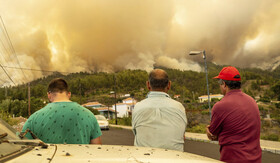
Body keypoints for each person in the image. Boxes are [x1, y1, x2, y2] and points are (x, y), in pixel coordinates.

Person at [206, 66, 261, 162]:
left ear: (224, 84)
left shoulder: (220, 106)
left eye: (219, 83)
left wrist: (207, 129)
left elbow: (212, 134)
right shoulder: (252, 101)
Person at [22, 78, 102, 144]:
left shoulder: (34, 118)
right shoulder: (89, 115)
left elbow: (22, 146)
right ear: (69, 94)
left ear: (49, 95)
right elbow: (97, 150)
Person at [132, 69, 187, 151]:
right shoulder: (179, 107)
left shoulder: (138, 107)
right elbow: (181, 135)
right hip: (174, 158)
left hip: (143, 158)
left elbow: (136, 133)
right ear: (169, 85)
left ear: (148, 85)